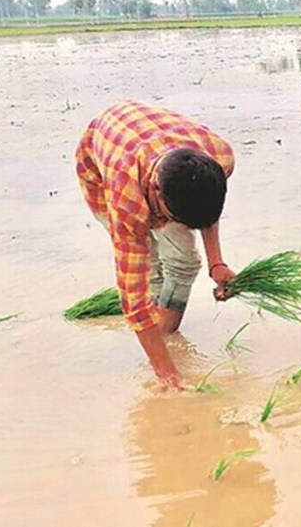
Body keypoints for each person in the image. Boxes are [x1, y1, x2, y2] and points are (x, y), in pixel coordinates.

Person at [75, 100, 237, 389]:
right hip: (99, 166)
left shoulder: (219, 157)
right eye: (179, 219)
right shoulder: (127, 203)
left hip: (148, 136)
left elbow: (206, 208)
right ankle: (161, 340)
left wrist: (216, 264)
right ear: (156, 192)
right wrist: (167, 374)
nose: (187, 228)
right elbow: (134, 302)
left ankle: (167, 333)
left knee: (185, 263)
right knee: (150, 267)